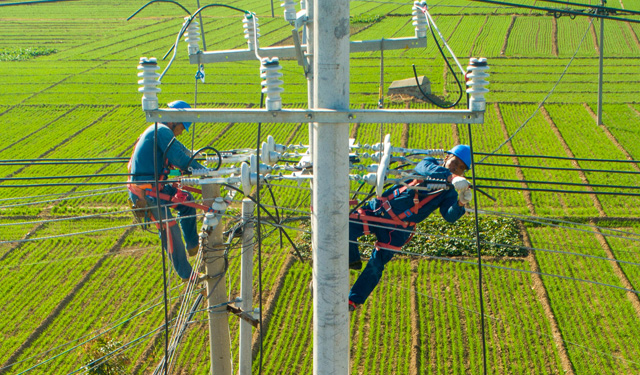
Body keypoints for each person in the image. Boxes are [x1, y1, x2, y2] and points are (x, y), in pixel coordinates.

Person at [347, 145, 473, 311]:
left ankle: (353, 300)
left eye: (460, 168)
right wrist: (451, 177)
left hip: (398, 229)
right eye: (454, 163)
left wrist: (460, 203)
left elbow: (449, 216)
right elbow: (425, 168)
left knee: (377, 264)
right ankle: (352, 260)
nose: (456, 168)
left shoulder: (448, 193)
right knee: (344, 226)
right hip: (379, 210)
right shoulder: (429, 163)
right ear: (446, 158)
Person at [127, 100, 204, 282]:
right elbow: (178, 157)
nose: (181, 132)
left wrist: (198, 159)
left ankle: (193, 245)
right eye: (182, 128)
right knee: (170, 228)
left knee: (187, 201)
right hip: (145, 195)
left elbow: (182, 152)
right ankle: (186, 274)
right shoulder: (161, 131)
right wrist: (204, 171)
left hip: (157, 188)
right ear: (175, 121)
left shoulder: (161, 131)